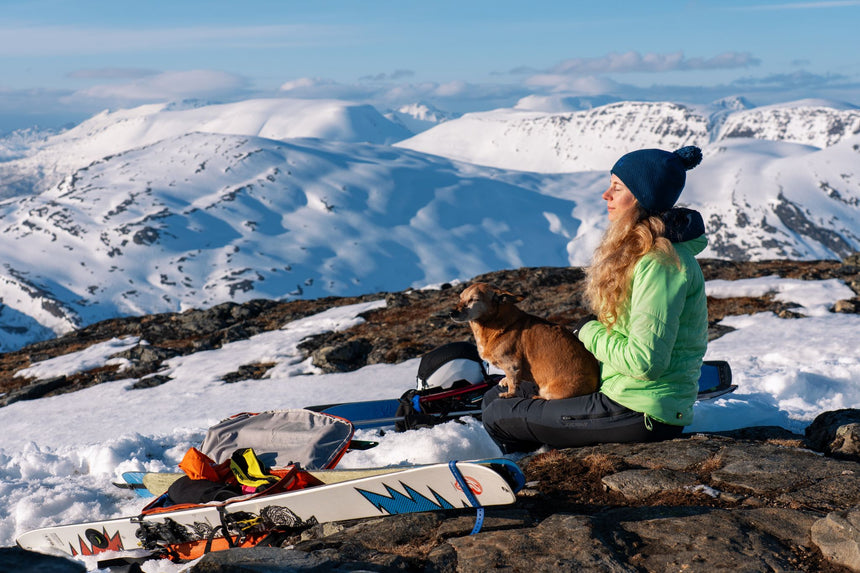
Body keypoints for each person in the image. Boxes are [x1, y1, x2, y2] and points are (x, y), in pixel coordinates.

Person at [481, 146, 709, 453]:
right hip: (626, 395)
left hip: (642, 410)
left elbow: (645, 364)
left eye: (617, 188)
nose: (606, 195)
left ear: (642, 198)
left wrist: (587, 331)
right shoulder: (644, 254)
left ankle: (527, 477)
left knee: (499, 414)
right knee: (498, 397)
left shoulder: (660, 265)